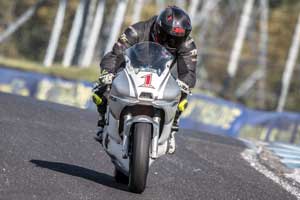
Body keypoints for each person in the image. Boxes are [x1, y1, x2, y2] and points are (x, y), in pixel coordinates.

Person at [92, 6, 197, 154]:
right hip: (130, 69)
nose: (169, 42)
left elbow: (189, 71)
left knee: (182, 96)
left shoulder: (187, 44)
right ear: (158, 29)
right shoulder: (136, 31)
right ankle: (102, 122)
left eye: (176, 40)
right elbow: (115, 55)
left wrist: (184, 84)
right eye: (166, 37)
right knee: (100, 90)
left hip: (162, 74)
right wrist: (108, 73)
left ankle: (172, 127)